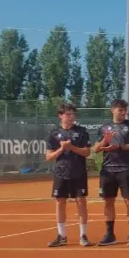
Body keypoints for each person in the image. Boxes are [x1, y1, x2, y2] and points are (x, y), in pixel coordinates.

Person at [93, 99, 129, 246]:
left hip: (125, 168)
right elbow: (95, 149)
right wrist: (104, 141)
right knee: (108, 201)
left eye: (124, 110)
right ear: (112, 110)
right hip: (108, 170)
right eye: (120, 110)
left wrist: (119, 146)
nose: (123, 113)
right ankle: (110, 234)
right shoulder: (104, 128)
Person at [46, 102, 92, 247]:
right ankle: (62, 236)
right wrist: (61, 149)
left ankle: (83, 235)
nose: (71, 117)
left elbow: (86, 152)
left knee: (81, 202)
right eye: (67, 114)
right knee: (60, 202)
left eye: (72, 114)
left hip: (78, 172)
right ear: (60, 116)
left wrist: (71, 147)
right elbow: (48, 157)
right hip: (60, 173)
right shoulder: (53, 133)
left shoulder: (82, 131)